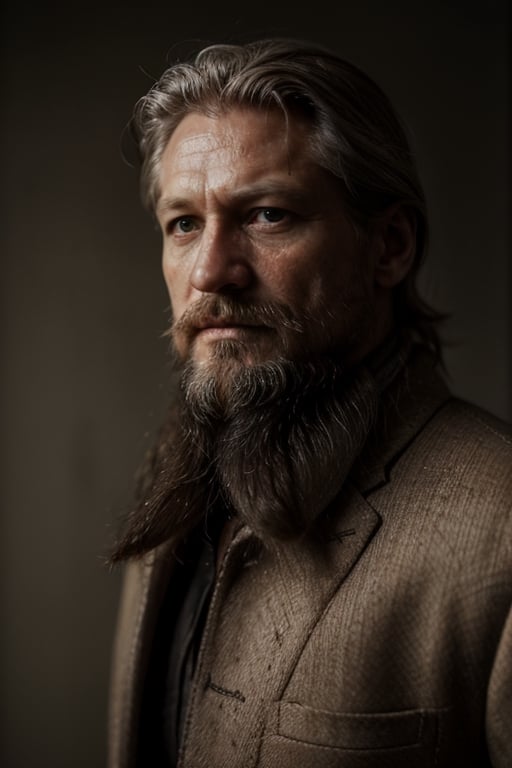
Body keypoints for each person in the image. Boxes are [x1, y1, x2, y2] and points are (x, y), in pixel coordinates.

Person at [107, 38, 511, 768]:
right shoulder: (175, 485)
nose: (209, 271)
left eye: (266, 215)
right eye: (183, 223)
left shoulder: (501, 522)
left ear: (388, 246)